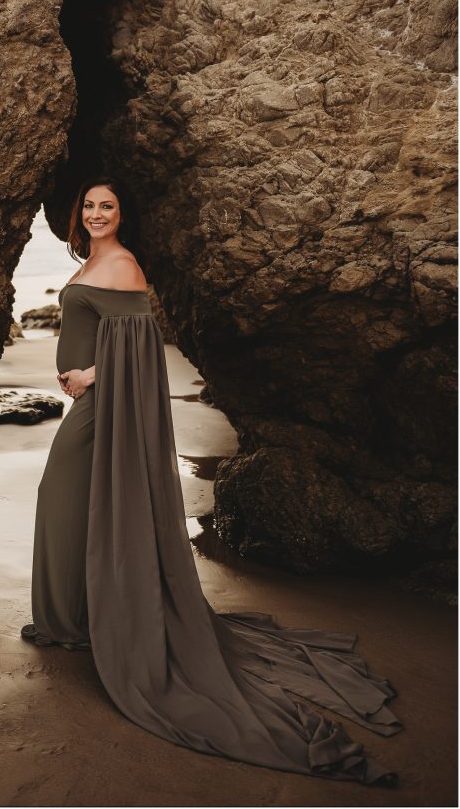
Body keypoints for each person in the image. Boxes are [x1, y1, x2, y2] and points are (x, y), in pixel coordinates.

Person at [22, 175, 403, 786]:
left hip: (103, 410)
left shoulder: (121, 262)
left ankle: (81, 622)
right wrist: (79, 375)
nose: (97, 213)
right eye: (89, 205)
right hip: (89, 409)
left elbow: (140, 344)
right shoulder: (96, 260)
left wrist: (92, 376)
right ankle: (72, 620)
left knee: (66, 501)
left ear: (123, 214)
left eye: (108, 206)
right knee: (67, 502)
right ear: (78, 214)